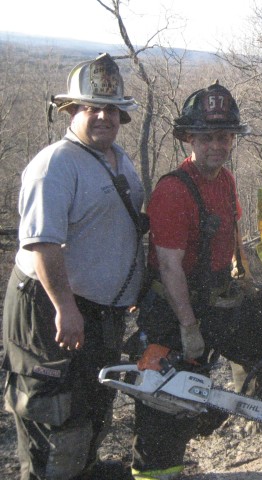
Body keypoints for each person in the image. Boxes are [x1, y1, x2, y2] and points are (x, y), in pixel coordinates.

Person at [2, 53, 144, 480]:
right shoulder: (56, 164)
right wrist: (65, 306)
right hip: (52, 308)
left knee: (91, 398)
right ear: (71, 111)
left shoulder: (118, 158)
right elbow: (43, 242)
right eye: (91, 107)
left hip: (99, 310)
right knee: (53, 411)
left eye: (111, 108)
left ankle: (83, 470)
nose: (103, 116)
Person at [130, 81, 262, 480]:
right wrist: (189, 327)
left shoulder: (225, 180)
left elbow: (233, 230)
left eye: (224, 137)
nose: (217, 145)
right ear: (189, 138)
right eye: (207, 137)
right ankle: (156, 472)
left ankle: (237, 416)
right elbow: (170, 267)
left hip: (213, 300)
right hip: (172, 312)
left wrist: (242, 275)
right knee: (164, 406)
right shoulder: (174, 191)